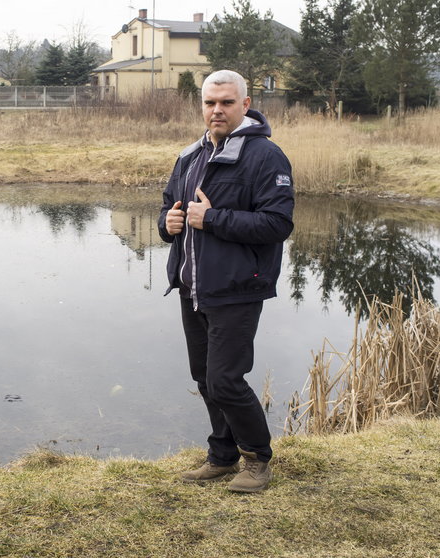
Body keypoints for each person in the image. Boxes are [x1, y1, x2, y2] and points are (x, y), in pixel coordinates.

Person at [157, 69, 294, 493]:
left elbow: (277, 224)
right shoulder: (189, 156)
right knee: (204, 377)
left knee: (225, 380)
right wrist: (169, 223)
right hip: (192, 286)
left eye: (227, 103)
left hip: (237, 287)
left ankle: (257, 460)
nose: (217, 110)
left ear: (245, 105)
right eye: (210, 103)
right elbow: (166, 210)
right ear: (201, 106)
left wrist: (211, 218)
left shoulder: (266, 156)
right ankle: (222, 455)